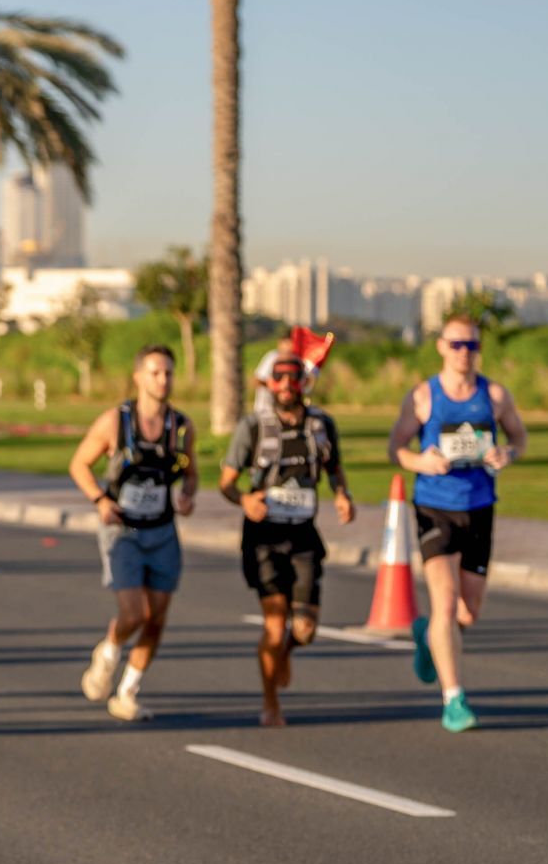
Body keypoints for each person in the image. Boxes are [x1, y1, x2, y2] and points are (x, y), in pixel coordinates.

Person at [387, 311, 528, 733]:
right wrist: (420, 461)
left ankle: (428, 634)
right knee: (445, 602)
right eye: (456, 344)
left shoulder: (496, 396)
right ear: (441, 347)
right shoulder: (423, 397)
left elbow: (519, 438)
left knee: (469, 611)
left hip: (480, 505)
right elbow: (396, 446)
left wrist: (508, 455)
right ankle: (454, 699)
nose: (464, 353)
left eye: (472, 345)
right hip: (435, 506)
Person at [220, 355, 355, 726]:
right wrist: (245, 500)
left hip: (303, 535)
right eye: (276, 379)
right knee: (275, 625)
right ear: (268, 385)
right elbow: (226, 482)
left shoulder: (321, 425)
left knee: (305, 630)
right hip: (264, 537)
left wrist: (342, 495)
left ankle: (286, 653)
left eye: (291, 380)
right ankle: (270, 702)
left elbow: (334, 469)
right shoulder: (253, 427)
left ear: (303, 384)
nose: (284, 386)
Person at [68, 344, 199, 722]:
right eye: (155, 372)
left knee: (156, 619)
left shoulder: (182, 426)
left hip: (162, 532)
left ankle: (127, 692)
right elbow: (79, 463)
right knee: (135, 613)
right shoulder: (115, 421)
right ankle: (108, 652)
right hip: (122, 531)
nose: (163, 379)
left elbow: (190, 473)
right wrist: (99, 500)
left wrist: (188, 495)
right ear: (138, 377)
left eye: (169, 373)